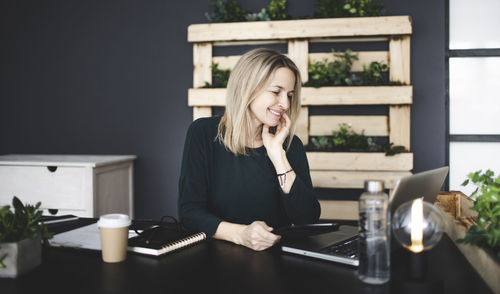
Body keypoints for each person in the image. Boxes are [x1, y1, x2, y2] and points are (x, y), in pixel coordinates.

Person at [178, 48, 320, 251]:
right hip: (214, 259)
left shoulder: (289, 145)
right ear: (248, 88)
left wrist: (278, 156)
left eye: (289, 95)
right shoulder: (203, 133)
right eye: (276, 92)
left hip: (275, 261)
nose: (285, 104)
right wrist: (242, 234)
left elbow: (308, 219)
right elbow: (189, 212)